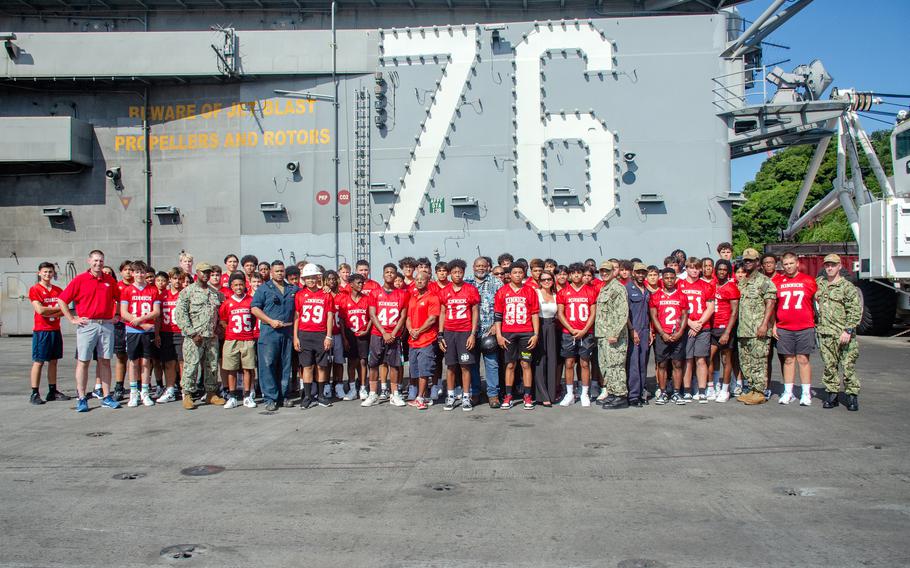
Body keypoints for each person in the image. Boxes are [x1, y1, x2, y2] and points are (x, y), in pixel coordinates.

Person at [56, 250, 122, 412]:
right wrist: (72, 319)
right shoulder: (80, 280)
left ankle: (106, 397)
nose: (98, 264)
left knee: (105, 361)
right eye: (95, 260)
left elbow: (119, 298)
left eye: (101, 261)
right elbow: (62, 300)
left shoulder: (109, 280)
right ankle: (82, 398)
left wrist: (117, 314)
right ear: (89, 261)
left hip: (106, 324)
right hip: (87, 325)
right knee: (83, 361)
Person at [174, 263, 226, 410]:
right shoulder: (187, 292)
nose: (206, 275)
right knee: (191, 365)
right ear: (197, 273)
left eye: (208, 272)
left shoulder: (214, 293)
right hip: (194, 337)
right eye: (203, 272)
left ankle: (211, 393)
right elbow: (181, 314)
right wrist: (192, 333)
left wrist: (219, 327)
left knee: (212, 365)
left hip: (211, 336)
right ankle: (188, 394)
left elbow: (221, 311)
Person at [815, 254, 862, 411]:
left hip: (843, 334)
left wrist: (848, 330)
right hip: (825, 333)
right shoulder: (820, 284)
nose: (829, 268)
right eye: (827, 265)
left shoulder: (847, 287)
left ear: (839, 266)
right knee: (829, 366)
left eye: (833, 265)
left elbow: (855, 310)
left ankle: (852, 396)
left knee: (848, 366)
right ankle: (832, 395)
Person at [772, 251, 817, 406]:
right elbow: (773, 306)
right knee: (788, 359)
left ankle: (806, 393)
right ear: (782, 265)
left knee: (803, 359)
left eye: (791, 263)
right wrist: (773, 325)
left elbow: (817, 302)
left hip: (805, 326)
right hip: (785, 327)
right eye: (786, 264)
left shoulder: (809, 281)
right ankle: (788, 392)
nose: (789, 266)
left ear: (797, 263)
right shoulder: (779, 282)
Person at [251, 260, 298, 411]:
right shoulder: (264, 289)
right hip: (269, 332)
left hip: (287, 332)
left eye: (282, 271)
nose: (280, 273)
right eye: (277, 271)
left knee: (285, 365)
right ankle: (270, 398)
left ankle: (283, 396)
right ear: (271, 272)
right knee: (268, 365)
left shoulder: (292, 289)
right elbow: (255, 309)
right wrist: (270, 321)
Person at [362, 263, 410, 407]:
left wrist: (393, 334)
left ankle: (395, 394)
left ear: (396, 275)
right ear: (383, 275)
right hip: (378, 334)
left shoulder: (402, 294)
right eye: (387, 272)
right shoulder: (375, 293)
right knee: (374, 364)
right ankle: (372, 394)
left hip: (394, 335)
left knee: (395, 365)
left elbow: (402, 317)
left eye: (392, 272)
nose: (389, 274)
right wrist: (384, 332)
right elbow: (372, 314)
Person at [493, 263, 540, 410]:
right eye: (515, 272)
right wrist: (499, 335)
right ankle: (508, 395)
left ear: (524, 274)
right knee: (510, 364)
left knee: (525, 363)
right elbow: (498, 316)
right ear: (510, 275)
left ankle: (527, 396)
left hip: (526, 333)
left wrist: (536, 334)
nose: (518, 275)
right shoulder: (502, 291)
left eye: (520, 272)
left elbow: (534, 314)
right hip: (509, 333)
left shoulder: (530, 291)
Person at [736, 248, 777, 405]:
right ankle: (752, 389)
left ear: (757, 262)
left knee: (759, 361)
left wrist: (765, 324)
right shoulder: (743, 282)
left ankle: (759, 392)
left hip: (758, 330)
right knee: (746, 362)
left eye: (751, 260)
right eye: (745, 260)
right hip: (744, 330)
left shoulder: (764, 281)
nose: (747, 263)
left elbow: (770, 303)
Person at [438, 259, 480, 411]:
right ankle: (450, 396)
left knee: (465, 366)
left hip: (465, 332)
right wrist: (440, 334)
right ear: (450, 274)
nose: (457, 275)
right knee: (450, 366)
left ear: (463, 272)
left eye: (460, 272)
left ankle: (466, 396)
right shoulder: (444, 291)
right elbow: (442, 312)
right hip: (449, 332)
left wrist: (473, 333)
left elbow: (475, 312)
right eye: (454, 272)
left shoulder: (470, 289)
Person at [119, 260, 162, 408]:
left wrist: (142, 319)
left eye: (142, 272)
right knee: (133, 361)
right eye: (136, 272)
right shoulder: (127, 290)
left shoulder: (153, 290)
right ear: (132, 273)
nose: (139, 275)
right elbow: (123, 312)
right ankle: (133, 392)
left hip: (147, 330)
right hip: (133, 330)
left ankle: (145, 391)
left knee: (145, 361)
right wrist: (136, 321)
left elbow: (156, 311)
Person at [293, 263, 335, 409]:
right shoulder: (299, 294)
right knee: (307, 366)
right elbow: (297, 316)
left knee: (322, 366)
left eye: (312, 277)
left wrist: (329, 336)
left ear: (318, 277)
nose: (310, 280)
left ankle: (322, 395)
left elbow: (330, 316)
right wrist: (295, 337)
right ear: (303, 279)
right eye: (307, 278)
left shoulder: (326, 294)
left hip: (320, 333)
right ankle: (308, 396)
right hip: (304, 334)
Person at [556, 262, 598, 407]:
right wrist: (571, 329)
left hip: (586, 333)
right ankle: (569, 394)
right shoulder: (563, 292)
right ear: (569, 275)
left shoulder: (590, 291)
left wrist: (584, 330)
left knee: (585, 363)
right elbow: (560, 313)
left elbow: (593, 313)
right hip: (569, 333)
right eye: (573, 273)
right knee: (569, 363)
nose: (576, 275)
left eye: (579, 273)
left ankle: (584, 393)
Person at [28, 262, 69, 404]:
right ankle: (34, 393)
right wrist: (56, 309)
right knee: (39, 361)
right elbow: (40, 310)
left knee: (54, 361)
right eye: (45, 272)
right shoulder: (35, 289)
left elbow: (64, 310)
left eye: (50, 272)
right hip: (42, 331)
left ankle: (53, 391)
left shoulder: (58, 290)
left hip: (55, 330)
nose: (47, 274)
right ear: (39, 273)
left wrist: (54, 309)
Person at [466, 256, 504, 408]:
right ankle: (475, 392)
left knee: (492, 363)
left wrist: (496, 326)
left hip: (490, 329)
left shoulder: (496, 282)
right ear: (473, 267)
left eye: (483, 266)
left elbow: (502, 305)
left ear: (488, 267)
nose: (481, 268)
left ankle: (493, 394)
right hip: (471, 331)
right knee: (472, 363)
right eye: (478, 266)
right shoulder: (466, 282)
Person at [649, 268, 689, 405]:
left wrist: (680, 332)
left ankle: (677, 392)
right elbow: (653, 317)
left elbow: (685, 315)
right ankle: (663, 391)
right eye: (666, 278)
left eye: (672, 278)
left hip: (677, 335)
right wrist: (662, 333)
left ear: (675, 279)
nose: (669, 280)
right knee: (662, 364)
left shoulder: (682, 295)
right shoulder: (655, 296)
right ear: (662, 279)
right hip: (663, 335)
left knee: (677, 363)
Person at [678, 257, 715, 402]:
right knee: (687, 360)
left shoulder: (706, 286)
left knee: (701, 359)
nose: (694, 270)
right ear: (686, 268)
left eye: (696, 267)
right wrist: (690, 323)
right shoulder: (679, 285)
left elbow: (710, 307)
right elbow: (678, 308)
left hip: (702, 328)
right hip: (686, 327)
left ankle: (701, 390)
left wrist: (698, 323)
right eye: (691, 267)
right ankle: (687, 390)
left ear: (700, 269)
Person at [219, 273, 257, 409]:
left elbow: (253, 318)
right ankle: (232, 396)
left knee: (248, 368)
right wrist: (230, 330)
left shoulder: (251, 300)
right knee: (231, 369)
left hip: (247, 339)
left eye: (241, 284)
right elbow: (223, 320)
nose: (239, 287)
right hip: (231, 339)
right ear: (231, 287)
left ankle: (247, 395)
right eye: (236, 285)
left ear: (245, 285)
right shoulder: (227, 303)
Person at [594, 261, 630, 409]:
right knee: (606, 366)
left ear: (614, 272)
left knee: (616, 366)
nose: (603, 273)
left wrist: (615, 333)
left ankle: (620, 396)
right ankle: (613, 393)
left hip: (614, 336)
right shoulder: (605, 288)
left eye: (607, 271)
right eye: (601, 271)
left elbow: (622, 313)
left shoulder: (618, 288)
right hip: (603, 335)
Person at [406, 271, 441, 410]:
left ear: (428, 282)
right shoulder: (413, 298)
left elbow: (432, 319)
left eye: (422, 279)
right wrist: (410, 330)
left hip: (426, 340)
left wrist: (419, 331)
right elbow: (408, 318)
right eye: (417, 279)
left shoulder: (433, 297)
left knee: (424, 370)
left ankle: (421, 398)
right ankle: (420, 396)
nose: (419, 281)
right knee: (414, 370)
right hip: (413, 340)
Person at [337, 273, 372, 400]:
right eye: (358, 282)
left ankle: (363, 387)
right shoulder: (344, 300)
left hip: (363, 335)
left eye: (362, 283)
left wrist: (367, 330)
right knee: (352, 362)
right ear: (351, 284)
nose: (361, 285)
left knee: (363, 361)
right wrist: (344, 338)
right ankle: (352, 389)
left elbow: (372, 318)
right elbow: (341, 321)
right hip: (350, 335)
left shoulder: (367, 299)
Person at [709, 259, 739, 403]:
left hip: (725, 327)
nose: (721, 272)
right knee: (708, 357)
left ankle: (725, 390)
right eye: (719, 269)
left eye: (724, 269)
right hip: (712, 327)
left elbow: (734, 312)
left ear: (728, 271)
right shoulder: (711, 285)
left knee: (726, 359)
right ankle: (713, 385)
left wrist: (727, 332)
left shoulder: (731, 287)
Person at [155, 267, 186, 403]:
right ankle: (170, 389)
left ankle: (185, 389)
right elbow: (158, 317)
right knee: (168, 363)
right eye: (175, 278)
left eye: (180, 279)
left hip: (182, 332)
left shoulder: (185, 294)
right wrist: (157, 334)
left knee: (182, 363)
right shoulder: (162, 295)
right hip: (166, 332)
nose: (177, 281)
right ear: (170, 279)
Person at [625, 262, 651, 407]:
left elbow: (649, 313)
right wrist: (632, 330)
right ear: (633, 273)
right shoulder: (627, 289)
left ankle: (641, 393)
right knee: (633, 364)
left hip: (645, 330)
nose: (641, 275)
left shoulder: (646, 290)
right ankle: (633, 396)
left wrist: (650, 331)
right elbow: (625, 314)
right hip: (633, 330)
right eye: (638, 272)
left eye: (643, 272)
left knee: (643, 363)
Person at [533, 270, 558, 407]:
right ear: (539, 282)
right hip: (539, 326)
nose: (547, 281)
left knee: (552, 360)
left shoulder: (556, 295)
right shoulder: (536, 293)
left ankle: (551, 393)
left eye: (549, 279)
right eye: (543, 280)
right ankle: (541, 394)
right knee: (540, 361)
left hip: (552, 327)